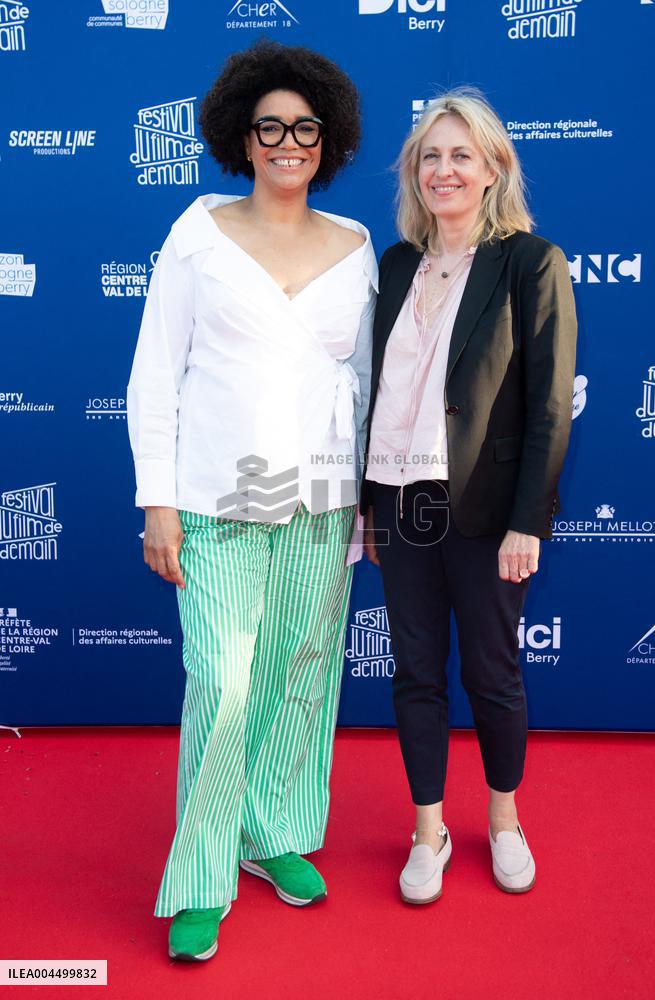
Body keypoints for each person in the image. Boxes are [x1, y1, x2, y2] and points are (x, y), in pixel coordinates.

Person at [127, 40, 376, 961]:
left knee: (299, 681)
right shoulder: (196, 234)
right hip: (215, 504)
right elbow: (155, 378)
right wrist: (158, 502)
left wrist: (365, 506)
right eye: (269, 126)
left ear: (328, 139)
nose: (287, 142)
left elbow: (361, 383)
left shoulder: (353, 248)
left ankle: (271, 835)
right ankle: (200, 876)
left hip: (321, 502)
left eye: (304, 128)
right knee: (225, 685)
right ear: (241, 134)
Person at [361, 90, 576, 904]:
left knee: (492, 672)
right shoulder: (394, 264)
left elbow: (551, 403)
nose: (443, 170)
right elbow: (369, 390)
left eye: (461, 156)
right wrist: (364, 502)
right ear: (414, 175)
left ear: (493, 170)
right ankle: (428, 830)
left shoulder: (530, 262)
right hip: (400, 502)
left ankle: (505, 819)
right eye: (430, 157)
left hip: (486, 510)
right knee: (415, 670)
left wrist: (530, 521)